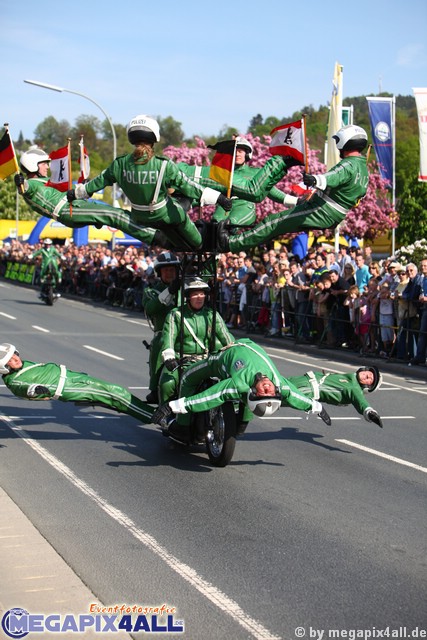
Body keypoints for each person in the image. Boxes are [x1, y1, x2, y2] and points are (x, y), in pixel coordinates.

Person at [67, 115, 233, 251]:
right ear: (155, 138)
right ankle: (198, 243)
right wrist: (218, 198)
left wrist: (76, 193)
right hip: (163, 213)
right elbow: (189, 186)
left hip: (139, 217)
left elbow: (97, 183)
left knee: (175, 213)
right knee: (183, 216)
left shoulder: (119, 164)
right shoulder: (163, 164)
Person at [216, 125, 370, 253]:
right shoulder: (362, 168)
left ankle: (230, 243)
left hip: (322, 210)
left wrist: (315, 179)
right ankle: (232, 241)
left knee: (272, 223)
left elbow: (334, 176)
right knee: (274, 225)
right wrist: (297, 200)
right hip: (328, 211)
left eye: (241, 150)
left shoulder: (349, 164)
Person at [152, 337, 331, 443]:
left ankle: (182, 425)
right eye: (271, 393)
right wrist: (318, 408)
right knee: (186, 377)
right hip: (243, 343)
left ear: (253, 393)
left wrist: (172, 406)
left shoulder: (237, 385)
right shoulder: (280, 385)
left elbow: (207, 398)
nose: (268, 388)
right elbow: (297, 398)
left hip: (218, 361)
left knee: (186, 377)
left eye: (264, 394)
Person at [14, 147, 165, 248]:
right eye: (43, 164)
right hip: (66, 211)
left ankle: (152, 231)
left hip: (74, 206)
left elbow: (66, 191)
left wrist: (83, 187)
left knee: (118, 213)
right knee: (114, 215)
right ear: (33, 165)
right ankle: (155, 238)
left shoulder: (46, 182)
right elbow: (25, 189)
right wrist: (21, 182)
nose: (47, 167)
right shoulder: (31, 184)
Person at [0, 343, 154, 424]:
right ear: (4, 367)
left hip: (72, 378)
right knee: (114, 392)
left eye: (14, 354)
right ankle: (158, 418)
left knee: (114, 395)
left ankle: (148, 412)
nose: (15, 358)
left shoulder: (21, 365)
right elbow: (22, 389)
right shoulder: (14, 380)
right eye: (10, 360)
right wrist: (34, 389)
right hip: (68, 387)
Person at [177, 136, 299, 226]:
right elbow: (203, 191)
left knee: (230, 224)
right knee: (215, 224)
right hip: (224, 205)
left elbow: (270, 191)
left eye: (240, 151)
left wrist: (295, 201)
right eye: (235, 152)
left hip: (244, 207)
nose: (237, 154)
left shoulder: (255, 173)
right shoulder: (221, 173)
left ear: (247, 154)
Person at [158, 278, 234, 415]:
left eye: (202, 294)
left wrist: (234, 350)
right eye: (195, 294)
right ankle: (166, 416)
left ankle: (233, 414)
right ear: (187, 296)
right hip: (182, 361)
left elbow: (226, 336)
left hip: (207, 360)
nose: (199, 297)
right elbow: (168, 337)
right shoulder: (175, 314)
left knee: (231, 381)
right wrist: (169, 357)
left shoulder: (212, 315)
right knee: (167, 384)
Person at [284, 366, 383, 428]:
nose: (367, 376)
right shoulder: (350, 378)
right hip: (303, 380)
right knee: (272, 383)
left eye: (370, 379)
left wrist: (369, 412)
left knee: (277, 394)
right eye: (369, 373)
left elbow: (361, 402)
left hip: (307, 388)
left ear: (368, 387)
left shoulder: (354, 388)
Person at [142, 251, 181, 403]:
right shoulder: (151, 291)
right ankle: (155, 387)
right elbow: (151, 308)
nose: (170, 273)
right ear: (159, 273)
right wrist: (170, 290)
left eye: (172, 270)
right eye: (166, 270)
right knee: (159, 344)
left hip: (189, 333)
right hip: (164, 334)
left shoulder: (186, 288)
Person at [408, 258, 427, 366]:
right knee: (422, 333)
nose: (423, 268)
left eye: (425, 266)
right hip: (424, 308)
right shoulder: (423, 279)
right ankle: (420, 356)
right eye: (422, 266)